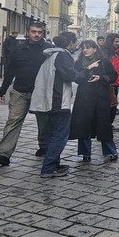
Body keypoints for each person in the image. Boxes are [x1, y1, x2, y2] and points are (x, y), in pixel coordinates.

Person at [0, 22, 53, 166]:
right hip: (20, 90)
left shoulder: (49, 50)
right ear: (28, 32)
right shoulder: (18, 49)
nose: (36, 34)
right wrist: (3, 90)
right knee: (13, 121)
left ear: (42, 33)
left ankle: (44, 146)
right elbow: (10, 71)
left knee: (44, 122)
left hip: (41, 92)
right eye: (33, 31)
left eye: (39, 32)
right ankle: (3, 154)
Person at [30, 32, 86, 178]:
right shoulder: (63, 55)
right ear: (70, 43)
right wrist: (84, 74)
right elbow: (69, 74)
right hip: (58, 101)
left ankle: (53, 163)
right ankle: (48, 168)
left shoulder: (52, 55)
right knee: (60, 135)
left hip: (50, 100)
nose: (75, 46)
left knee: (51, 133)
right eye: (75, 43)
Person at [69, 40, 119, 162]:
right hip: (84, 98)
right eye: (83, 48)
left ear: (95, 49)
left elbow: (114, 76)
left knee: (103, 125)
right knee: (84, 125)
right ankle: (85, 153)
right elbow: (77, 79)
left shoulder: (104, 61)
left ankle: (111, 152)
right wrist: (88, 68)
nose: (85, 50)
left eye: (88, 47)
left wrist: (101, 78)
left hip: (101, 97)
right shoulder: (78, 63)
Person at [104, 33, 119, 124]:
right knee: (109, 106)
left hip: (116, 83)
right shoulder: (106, 53)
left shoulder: (115, 52)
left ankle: (108, 125)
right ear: (110, 42)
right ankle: (106, 125)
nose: (118, 43)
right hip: (110, 84)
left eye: (118, 41)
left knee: (113, 106)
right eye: (116, 41)